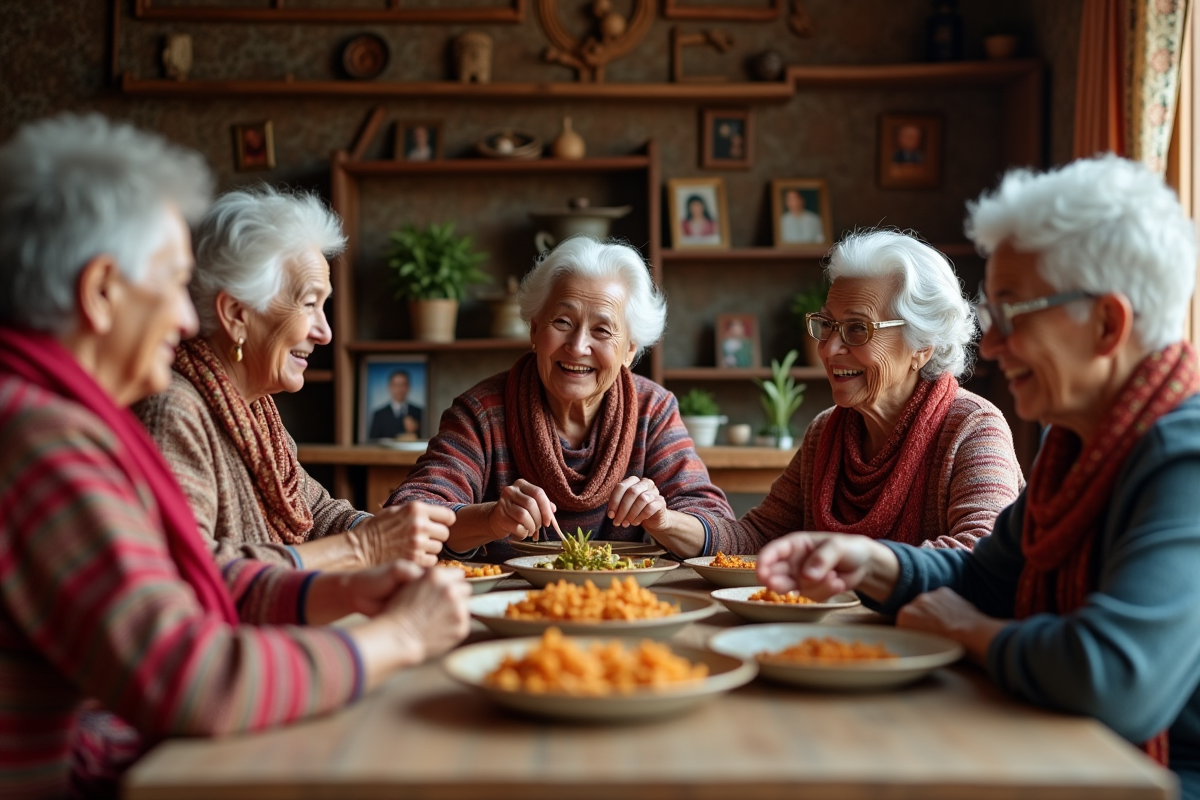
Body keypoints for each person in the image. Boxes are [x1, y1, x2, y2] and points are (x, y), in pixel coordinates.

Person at [0, 113, 471, 799]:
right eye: (168, 283)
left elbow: (178, 583)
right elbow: (191, 679)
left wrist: (332, 589)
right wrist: (396, 639)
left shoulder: (53, 416)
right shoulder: (41, 442)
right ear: (101, 292)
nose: (187, 318)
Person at [756, 156, 1200, 796]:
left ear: (1107, 324)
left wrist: (964, 630)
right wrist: (869, 562)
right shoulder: (1076, 448)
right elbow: (987, 577)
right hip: (1068, 752)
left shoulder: (1183, 458)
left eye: (1016, 314)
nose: (989, 347)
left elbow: (1113, 679)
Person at [136, 187, 450, 570]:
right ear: (236, 313)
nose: (325, 333)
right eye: (308, 304)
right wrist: (366, 546)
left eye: (324, 305)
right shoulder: (174, 412)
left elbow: (314, 512)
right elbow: (194, 570)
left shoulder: (254, 409)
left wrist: (385, 531)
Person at [386, 236, 737, 562]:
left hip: (620, 607)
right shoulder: (483, 413)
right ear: (534, 329)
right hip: (506, 611)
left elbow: (722, 530)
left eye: (602, 329)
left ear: (630, 349)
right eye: (563, 322)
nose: (578, 346)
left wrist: (664, 521)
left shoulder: (652, 410)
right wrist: (490, 519)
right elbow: (404, 517)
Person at [711, 230, 1024, 556]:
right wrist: (667, 521)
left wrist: (867, 564)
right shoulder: (825, 432)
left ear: (922, 346)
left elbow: (983, 551)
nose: (830, 349)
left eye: (858, 328)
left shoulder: (974, 428)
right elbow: (761, 535)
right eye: (828, 325)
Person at [369, 369, 424, 439]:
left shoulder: (420, 412)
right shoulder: (379, 415)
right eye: (396, 385)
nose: (400, 389)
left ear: (408, 387)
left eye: (403, 385)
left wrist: (416, 428)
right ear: (390, 387)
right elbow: (372, 442)